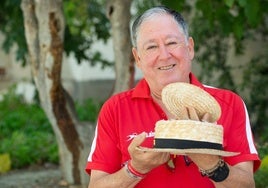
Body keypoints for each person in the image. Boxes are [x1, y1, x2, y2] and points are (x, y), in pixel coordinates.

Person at [85, 6, 261, 188]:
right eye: (152, 47)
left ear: (190, 48)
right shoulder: (115, 109)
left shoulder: (229, 104)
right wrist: (135, 169)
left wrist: (212, 164)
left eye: (171, 43)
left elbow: (247, 185)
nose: (164, 55)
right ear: (137, 58)